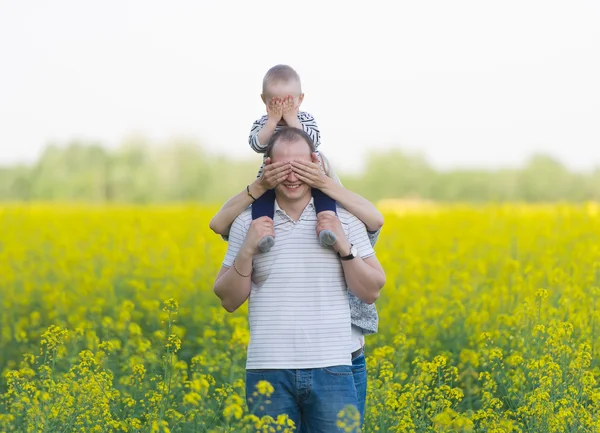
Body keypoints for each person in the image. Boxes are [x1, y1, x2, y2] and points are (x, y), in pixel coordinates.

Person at [213, 127, 386, 432]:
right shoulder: (247, 221)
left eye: (301, 167)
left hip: (333, 367)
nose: (292, 177)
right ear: (267, 166)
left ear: (315, 164)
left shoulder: (344, 218)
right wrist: (247, 250)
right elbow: (228, 300)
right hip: (268, 370)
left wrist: (345, 248)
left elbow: (371, 291)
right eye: (282, 168)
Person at [247, 64, 337, 252]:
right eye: (275, 102)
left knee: (325, 193)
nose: (282, 108)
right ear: (264, 100)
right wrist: (272, 122)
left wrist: (292, 120)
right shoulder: (263, 122)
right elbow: (257, 145)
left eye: (288, 102)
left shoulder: (305, 119)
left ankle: (327, 226)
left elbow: (313, 142)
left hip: (307, 173)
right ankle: (264, 234)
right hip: (274, 174)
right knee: (261, 198)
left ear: (300, 99)